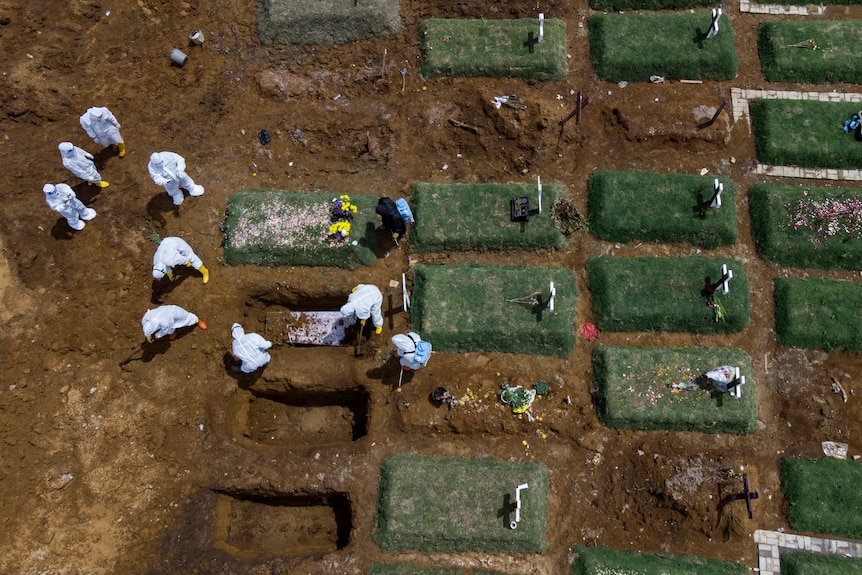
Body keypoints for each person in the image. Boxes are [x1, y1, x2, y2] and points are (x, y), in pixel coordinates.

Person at [141, 304, 206, 342]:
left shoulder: (165, 323)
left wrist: (158, 335)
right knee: (169, 328)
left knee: (186, 318)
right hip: (164, 314)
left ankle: (197, 321)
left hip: (174, 313)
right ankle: (173, 332)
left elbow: (165, 330)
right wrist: (148, 334)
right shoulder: (146, 318)